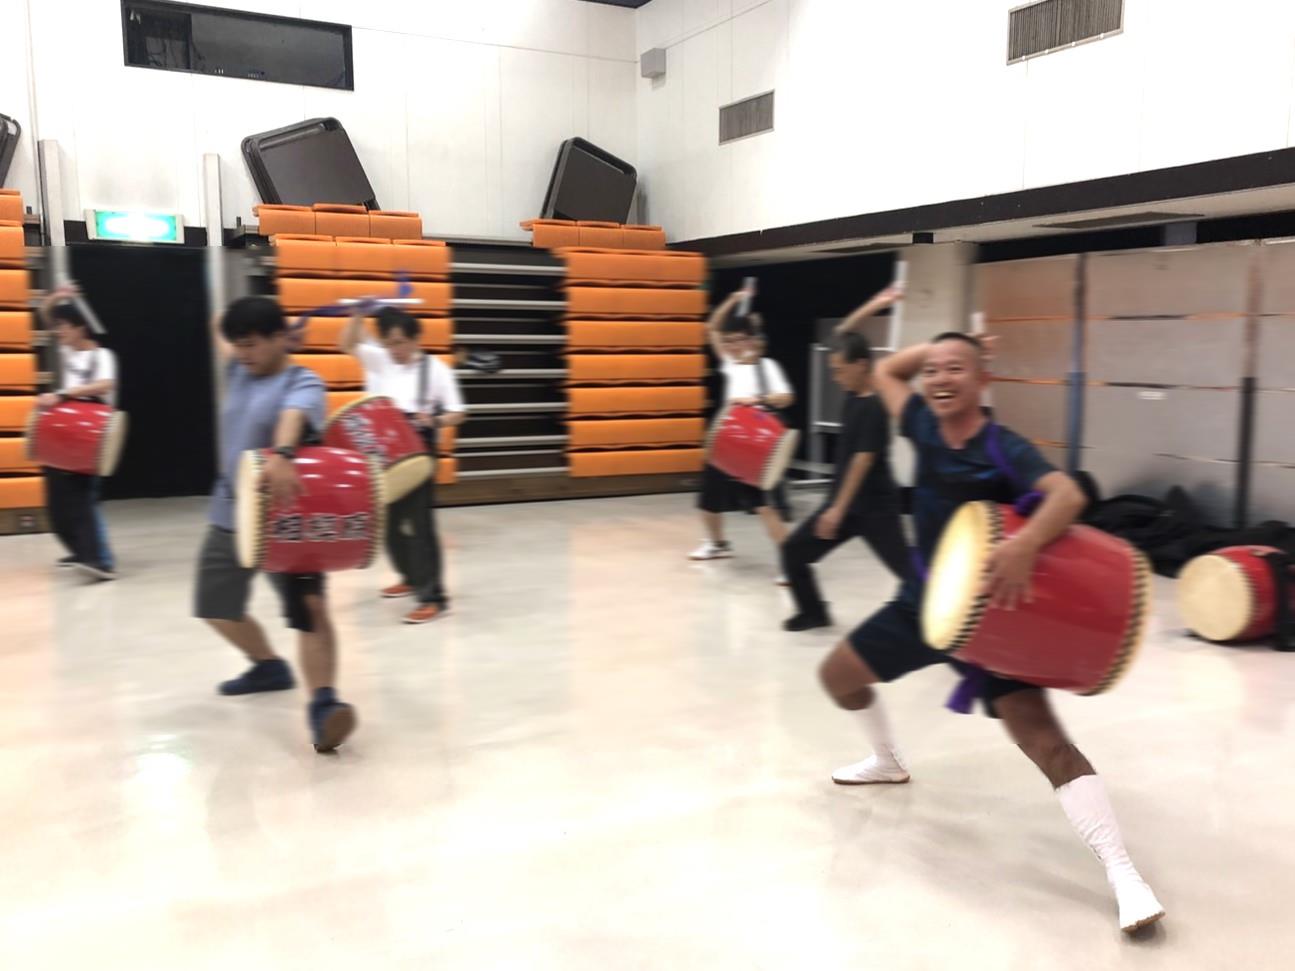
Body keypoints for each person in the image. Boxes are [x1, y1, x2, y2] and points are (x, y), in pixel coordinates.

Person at [816, 326, 1165, 933]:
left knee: (1045, 742)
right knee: (837, 677)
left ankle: (1124, 874)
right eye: (933, 370)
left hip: (991, 617)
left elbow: (1066, 495)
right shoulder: (922, 423)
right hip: (924, 603)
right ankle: (887, 760)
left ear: (985, 379)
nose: (939, 378)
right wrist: (948, 348)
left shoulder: (1004, 446)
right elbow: (889, 371)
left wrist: (1026, 544)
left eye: (957, 369)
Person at [195, 296, 356, 753]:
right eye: (238, 344)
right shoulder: (238, 368)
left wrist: (284, 453)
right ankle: (267, 665)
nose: (242, 353)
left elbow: (293, 417)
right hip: (230, 508)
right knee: (214, 606)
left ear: (278, 338)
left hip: (288, 514)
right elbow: (217, 321)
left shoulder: (303, 380)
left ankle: (324, 705)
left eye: (252, 344)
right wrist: (256, 330)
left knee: (311, 609)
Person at [780, 287, 910, 631]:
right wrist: (876, 304)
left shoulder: (875, 405)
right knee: (793, 552)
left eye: (840, 370)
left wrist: (836, 510)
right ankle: (814, 612)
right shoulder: (854, 390)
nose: (836, 378)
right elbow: (842, 332)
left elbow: (862, 461)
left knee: (910, 572)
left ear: (861, 365)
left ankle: (945, 623)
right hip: (844, 501)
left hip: (875, 508)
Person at [340, 306, 465, 623]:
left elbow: (458, 412)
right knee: (387, 523)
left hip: (418, 450)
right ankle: (410, 575)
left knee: (421, 525)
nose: (394, 349)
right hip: (382, 450)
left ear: (415, 339)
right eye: (388, 343)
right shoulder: (381, 360)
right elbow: (346, 343)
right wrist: (357, 315)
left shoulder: (436, 370)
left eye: (400, 342)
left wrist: (435, 420)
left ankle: (433, 598)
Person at [688, 287, 793, 571]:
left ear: (750, 339)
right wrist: (733, 299)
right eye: (729, 341)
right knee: (708, 502)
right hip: (726, 442)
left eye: (738, 340)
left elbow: (786, 397)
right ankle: (717, 544)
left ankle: (790, 562)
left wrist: (759, 399)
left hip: (752, 445)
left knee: (763, 507)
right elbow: (712, 327)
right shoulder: (731, 365)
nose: (732, 346)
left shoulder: (766, 367)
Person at [36, 284, 117, 580]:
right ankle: (79, 550)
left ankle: (101, 561)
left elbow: (105, 385)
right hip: (67, 432)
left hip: (91, 436)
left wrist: (64, 393)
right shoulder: (68, 352)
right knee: (57, 501)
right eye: (58, 327)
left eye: (64, 327)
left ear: (80, 328)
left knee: (83, 500)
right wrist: (57, 297)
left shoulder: (102, 356)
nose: (59, 332)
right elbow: (46, 314)